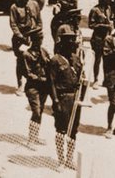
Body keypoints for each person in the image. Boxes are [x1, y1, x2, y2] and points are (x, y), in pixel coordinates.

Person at [49, 24, 85, 168]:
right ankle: (61, 160)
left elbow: (82, 79)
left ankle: (69, 159)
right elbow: (51, 83)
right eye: (69, 40)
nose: (72, 43)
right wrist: (55, 101)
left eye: (73, 40)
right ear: (62, 42)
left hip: (75, 98)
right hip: (62, 98)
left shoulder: (76, 59)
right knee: (61, 130)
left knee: (73, 130)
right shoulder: (55, 60)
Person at [20, 23, 52, 146]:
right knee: (36, 111)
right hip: (33, 87)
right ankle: (31, 139)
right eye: (39, 39)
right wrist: (40, 78)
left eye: (42, 39)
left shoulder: (44, 52)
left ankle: (35, 135)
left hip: (44, 87)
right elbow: (27, 73)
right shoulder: (26, 55)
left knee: (41, 110)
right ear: (33, 40)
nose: (41, 41)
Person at [88, 0, 112, 85]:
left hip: (107, 38)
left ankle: (106, 79)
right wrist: (103, 26)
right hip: (98, 38)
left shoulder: (109, 8)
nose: (109, 0)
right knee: (97, 60)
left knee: (107, 60)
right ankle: (96, 79)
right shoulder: (95, 10)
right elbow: (91, 25)